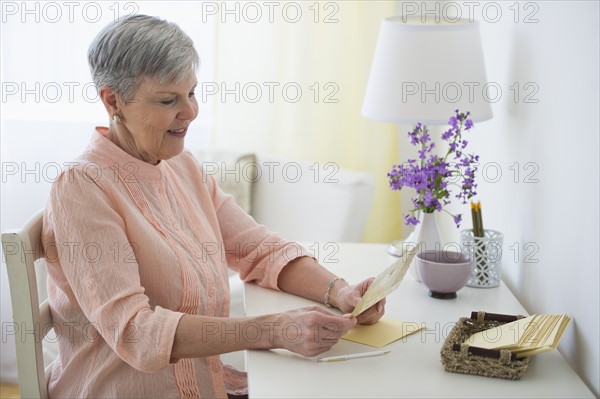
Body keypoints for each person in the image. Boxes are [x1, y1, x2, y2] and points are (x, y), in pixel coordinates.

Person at [41, 14, 385, 398]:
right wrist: (273, 329)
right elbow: (136, 333)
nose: (190, 112)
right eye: (168, 100)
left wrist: (340, 293)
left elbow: (259, 249)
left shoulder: (181, 165)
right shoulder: (82, 188)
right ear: (112, 100)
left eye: (191, 93)